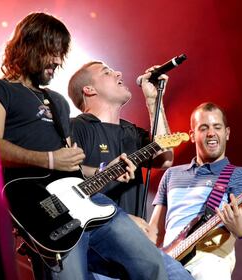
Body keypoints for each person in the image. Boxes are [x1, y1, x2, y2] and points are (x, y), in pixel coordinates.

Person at [0, 12, 169, 280]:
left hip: (88, 201)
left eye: (61, 53)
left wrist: (105, 169)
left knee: (152, 264)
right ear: (30, 44)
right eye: (52, 51)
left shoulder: (57, 102)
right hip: (42, 210)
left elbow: (73, 167)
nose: (57, 60)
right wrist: (50, 160)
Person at [68, 61, 194, 280]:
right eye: (106, 72)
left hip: (138, 248)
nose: (118, 72)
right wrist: (122, 220)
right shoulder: (75, 127)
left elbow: (165, 157)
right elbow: (66, 180)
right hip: (97, 256)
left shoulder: (130, 132)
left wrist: (154, 101)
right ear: (89, 89)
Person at [149, 102, 242, 280]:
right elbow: (155, 230)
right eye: (204, 128)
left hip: (210, 258)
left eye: (217, 127)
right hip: (169, 258)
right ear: (192, 135)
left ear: (227, 133)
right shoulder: (171, 174)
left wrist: (241, 228)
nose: (211, 133)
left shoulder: (240, 175)